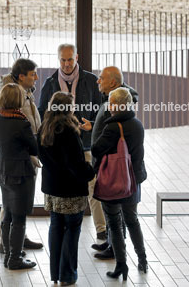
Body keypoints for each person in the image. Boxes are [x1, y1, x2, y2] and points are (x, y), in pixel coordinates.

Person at [38, 44, 106, 240]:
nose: (67, 64)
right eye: (63, 60)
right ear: (58, 59)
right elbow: (43, 114)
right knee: (63, 189)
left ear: (77, 57)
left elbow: (102, 111)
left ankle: (101, 230)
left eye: (70, 60)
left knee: (94, 188)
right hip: (60, 148)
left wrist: (92, 125)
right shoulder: (50, 83)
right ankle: (61, 227)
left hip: (85, 144)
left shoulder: (92, 81)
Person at [38, 92, 95, 285]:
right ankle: (68, 275)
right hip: (70, 190)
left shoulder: (44, 127)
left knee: (56, 226)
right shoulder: (68, 131)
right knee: (72, 228)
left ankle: (55, 274)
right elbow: (76, 164)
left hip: (52, 189)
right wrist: (90, 172)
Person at [92, 87, 148, 280]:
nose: (109, 105)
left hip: (115, 183)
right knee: (132, 221)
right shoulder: (137, 124)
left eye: (111, 102)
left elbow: (96, 149)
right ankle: (143, 259)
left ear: (117, 105)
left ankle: (121, 265)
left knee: (115, 224)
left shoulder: (113, 127)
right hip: (133, 181)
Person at [85, 67, 139, 260]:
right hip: (106, 165)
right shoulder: (110, 99)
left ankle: (116, 248)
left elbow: (111, 137)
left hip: (112, 168)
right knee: (111, 212)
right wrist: (94, 126)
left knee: (117, 213)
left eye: (102, 79)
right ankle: (110, 241)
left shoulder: (117, 104)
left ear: (114, 83)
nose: (98, 81)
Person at [0, 58, 44, 254]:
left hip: (25, 157)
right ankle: (6, 244)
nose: (36, 78)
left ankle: (18, 239)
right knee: (12, 206)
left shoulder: (26, 92)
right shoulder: (9, 95)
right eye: (32, 74)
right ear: (21, 76)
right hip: (19, 158)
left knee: (17, 205)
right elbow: (1, 123)